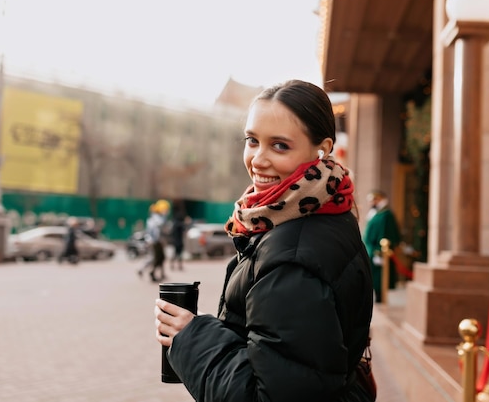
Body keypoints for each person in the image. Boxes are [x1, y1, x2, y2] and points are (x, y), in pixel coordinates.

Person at [154, 79, 374, 401]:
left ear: (322, 149)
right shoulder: (324, 211)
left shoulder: (293, 259)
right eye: (252, 140)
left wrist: (192, 338)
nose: (258, 159)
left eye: (279, 145)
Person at [363, 189, 402, 303]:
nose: (372, 202)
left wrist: (380, 252)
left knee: (380, 278)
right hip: (371, 250)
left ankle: (381, 298)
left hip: (379, 252)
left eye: (375, 199)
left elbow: (386, 234)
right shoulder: (375, 214)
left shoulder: (386, 215)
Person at [138, 200, 170, 282]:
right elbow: (157, 230)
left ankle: (153, 273)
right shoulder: (157, 218)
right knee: (156, 258)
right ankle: (149, 272)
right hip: (155, 241)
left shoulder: (157, 218)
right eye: (165, 210)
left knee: (159, 258)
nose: (166, 212)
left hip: (156, 241)